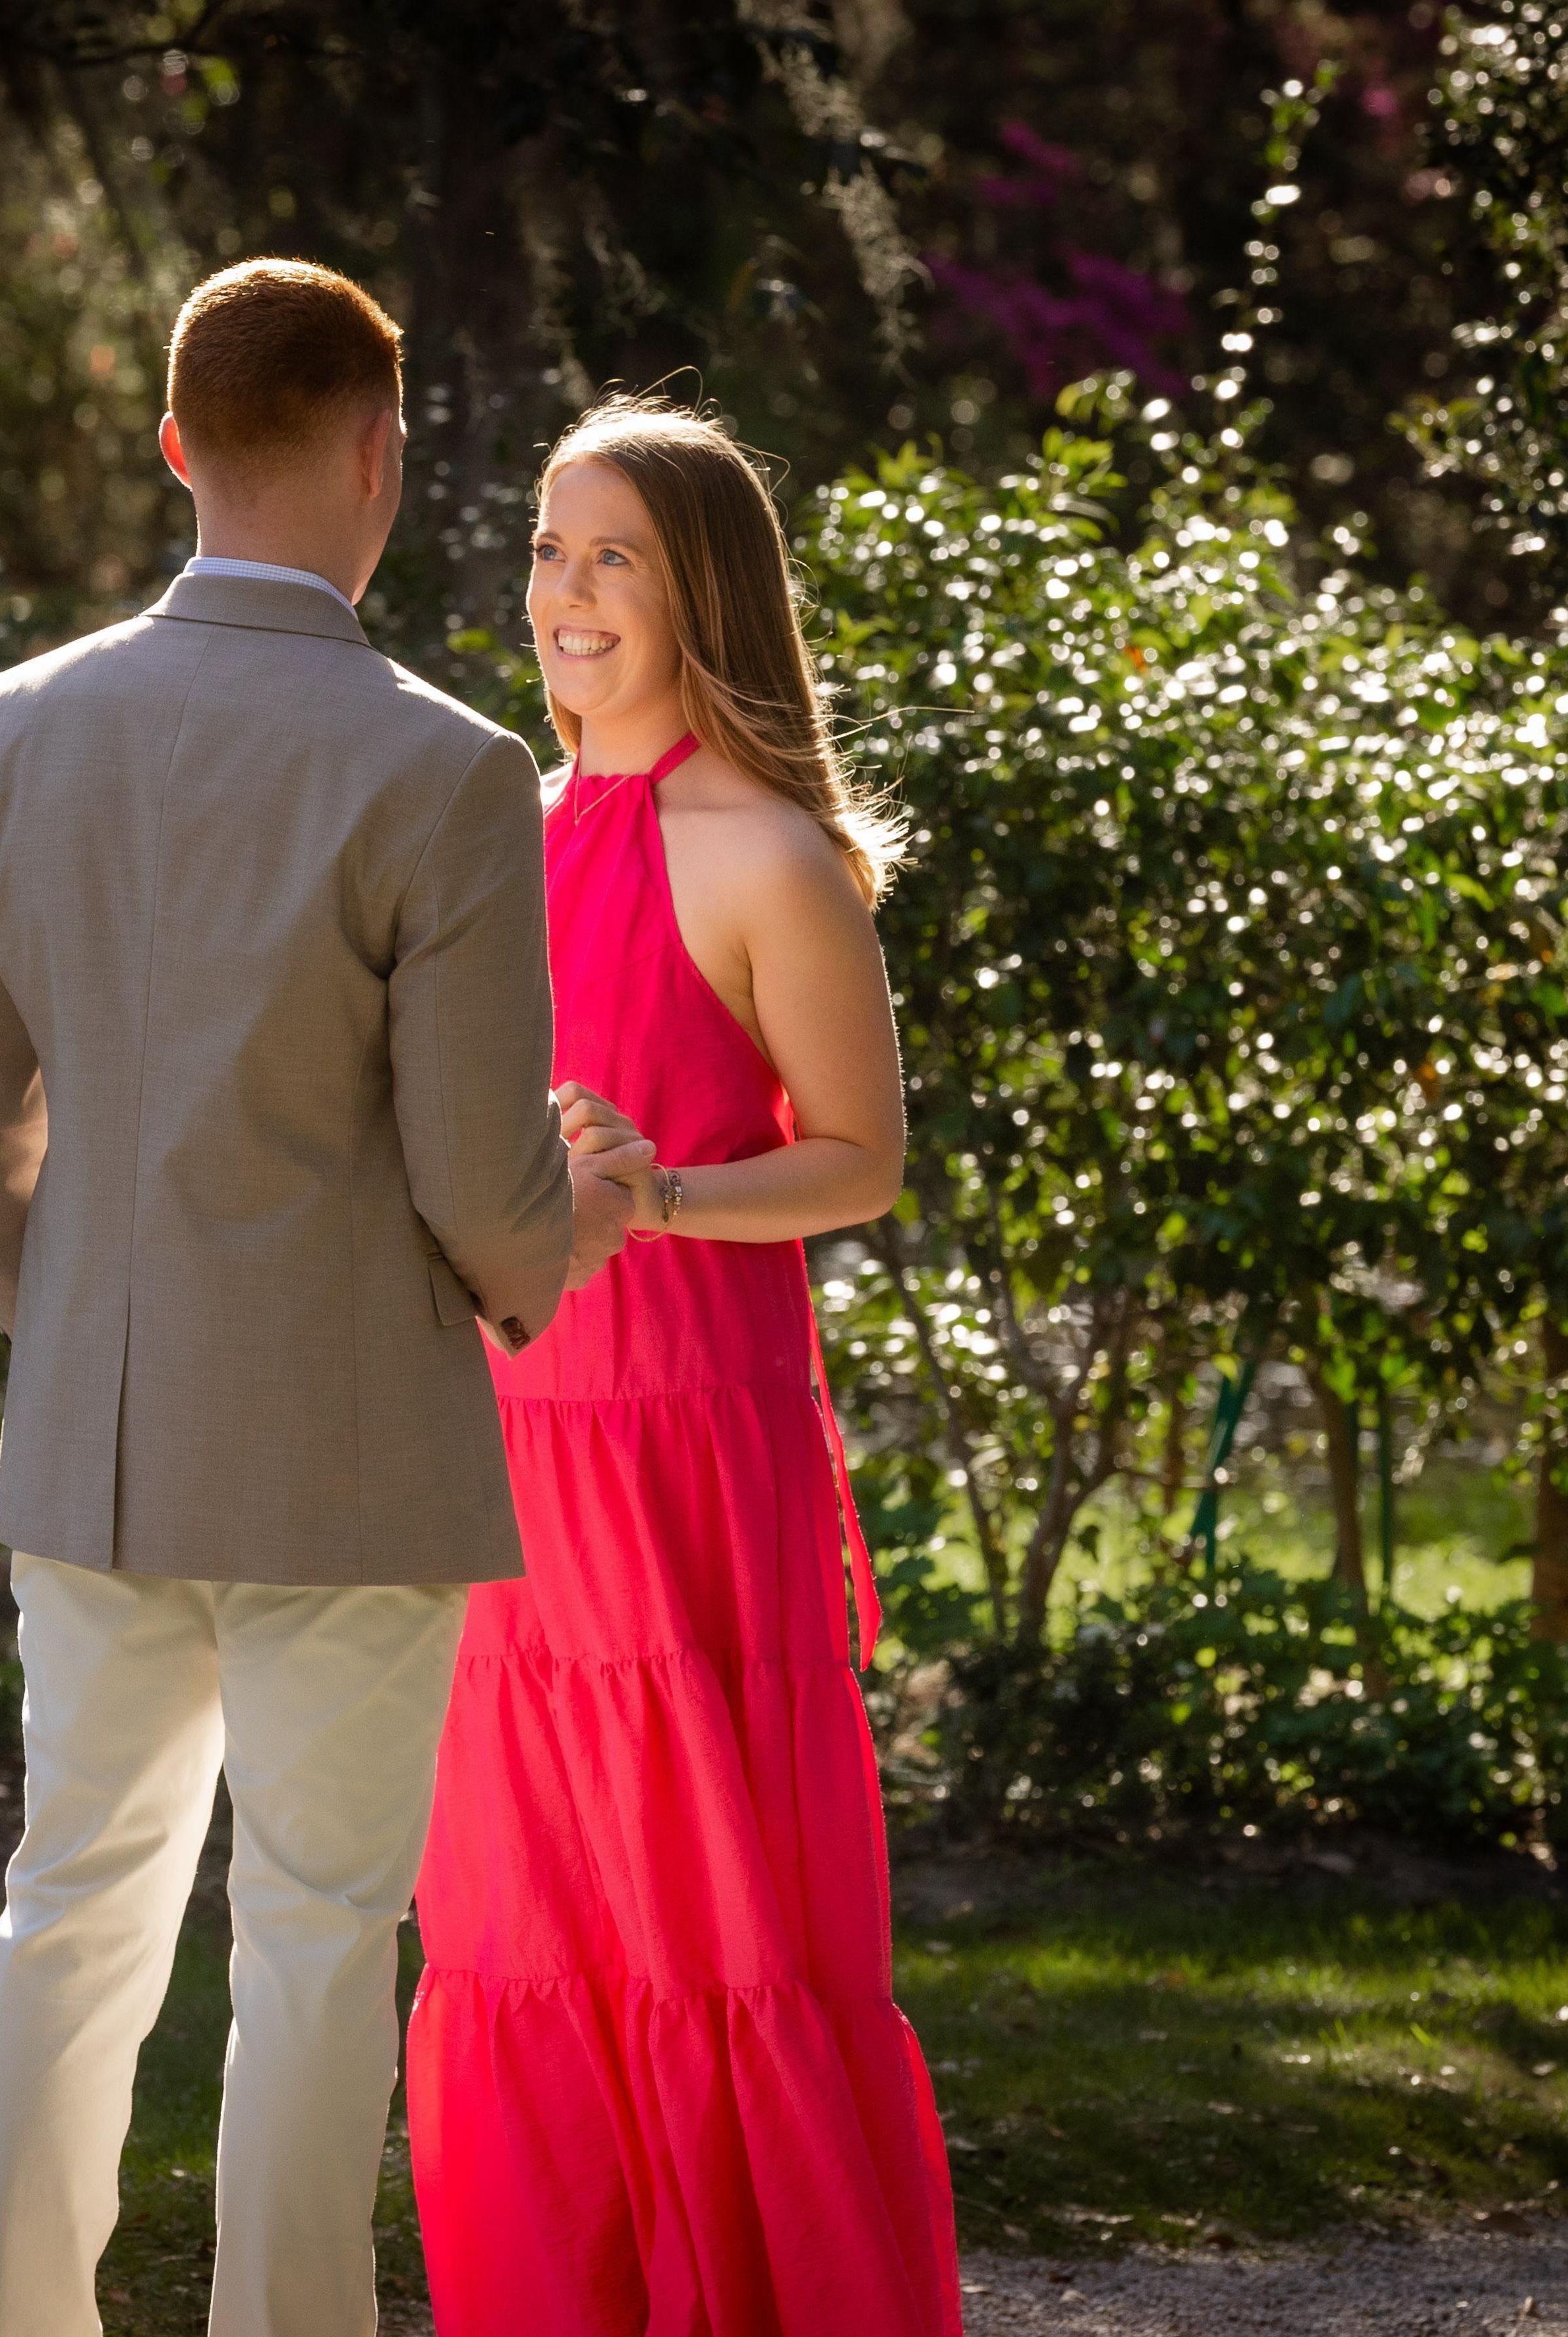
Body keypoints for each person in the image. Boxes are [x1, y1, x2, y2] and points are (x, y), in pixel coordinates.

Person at [0, 260, 649, 2337]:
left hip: (97, 1439)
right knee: (318, 1938)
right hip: (349, 1452)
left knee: (66, 1914)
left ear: (175, 446)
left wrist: (73, 1328)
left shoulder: (15, 723)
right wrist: (584, 1210)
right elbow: (482, 1191)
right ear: (377, 452)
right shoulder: (444, 767)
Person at [407, 396, 966, 2337]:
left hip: (686, 1463)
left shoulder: (762, 853)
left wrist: (658, 1203)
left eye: (614, 558)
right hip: (504, 1453)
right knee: (521, 1928)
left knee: (714, 1929)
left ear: (700, 590)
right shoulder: (491, 838)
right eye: (549, 550)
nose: (565, 593)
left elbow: (862, 1157)